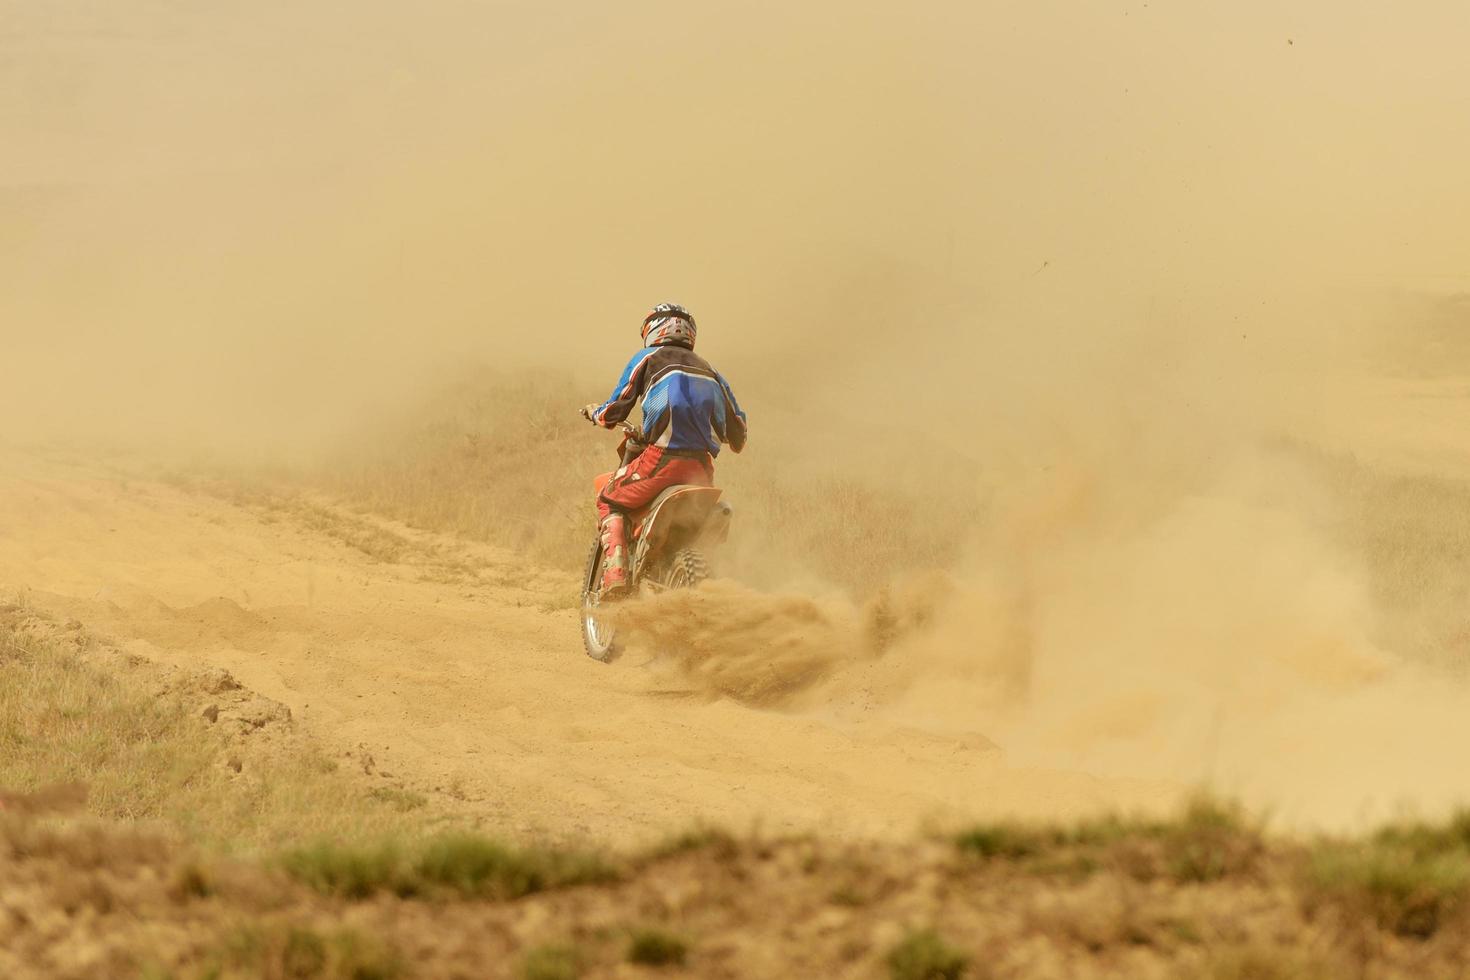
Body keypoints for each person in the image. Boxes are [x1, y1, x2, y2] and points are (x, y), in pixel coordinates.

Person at [581, 302, 747, 596]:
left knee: (609, 497)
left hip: (660, 462)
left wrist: (596, 414)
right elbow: (738, 437)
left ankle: (616, 575)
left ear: (653, 329)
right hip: (701, 471)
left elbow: (615, 410)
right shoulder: (712, 372)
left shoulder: (648, 357)